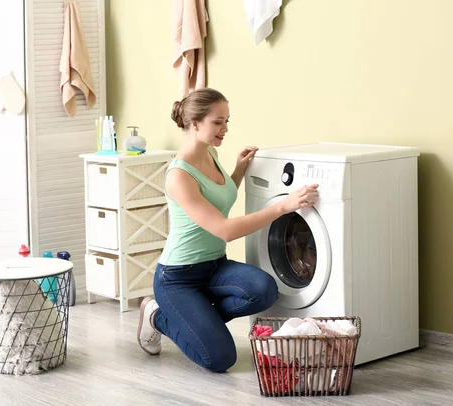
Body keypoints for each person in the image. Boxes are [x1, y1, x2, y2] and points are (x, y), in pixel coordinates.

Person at [136, 88, 319, 373]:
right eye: (218, 122)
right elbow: (224, 229)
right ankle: (157, 316)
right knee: (219, 359)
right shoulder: (179, 176)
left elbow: (218, 198)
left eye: (227, 121)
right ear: (195, 124)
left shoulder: (210, 152)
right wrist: (284, 206)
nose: (225, 129)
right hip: (178, 279)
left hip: (214, 268)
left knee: (264, 290)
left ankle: (198, 321)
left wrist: (239, 170)